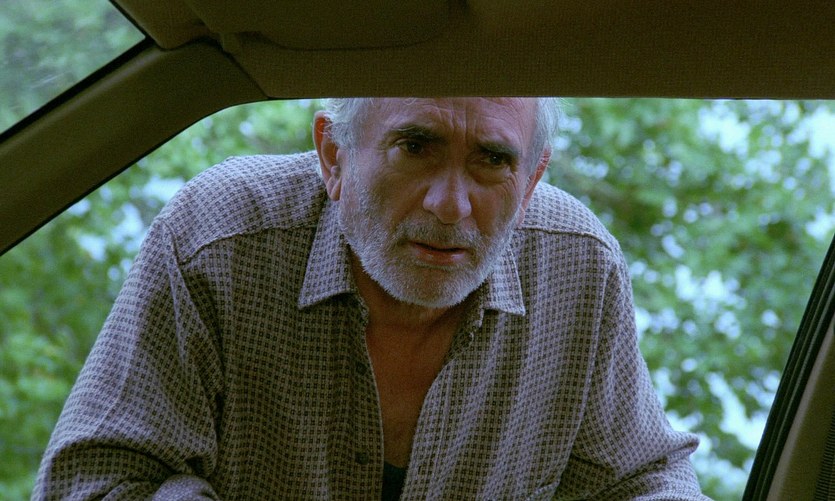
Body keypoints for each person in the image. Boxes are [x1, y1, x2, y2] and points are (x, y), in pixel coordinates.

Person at [35, 98, 709, 500]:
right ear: (332, 155)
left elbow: (645, 479)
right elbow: (95, 481)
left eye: (492, 159)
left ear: (530, 180)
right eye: (416, 147)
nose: (450, 205)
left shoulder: (577, 266)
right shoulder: (222, 238)